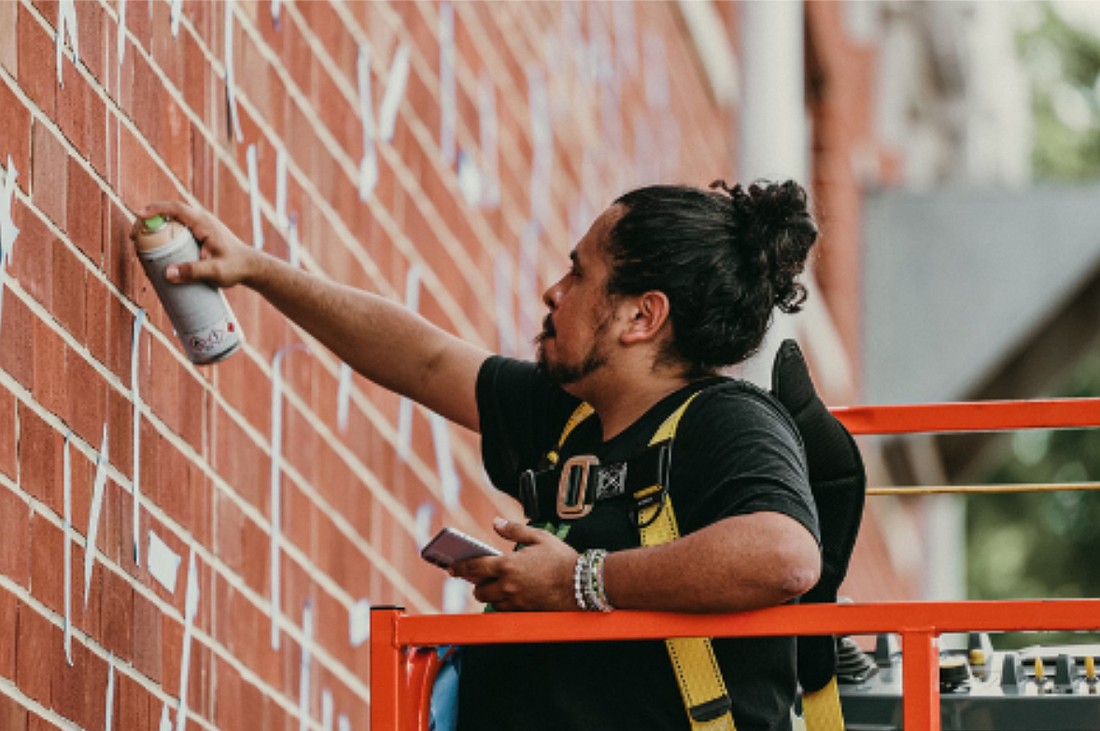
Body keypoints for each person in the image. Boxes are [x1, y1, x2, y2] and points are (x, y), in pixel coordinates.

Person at [135, 178, 822, 731]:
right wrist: (254, 269)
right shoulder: (570, 415)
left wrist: (581, 579)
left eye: (578, 274)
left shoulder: (725, 419)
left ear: (641, 317)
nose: (553, 292)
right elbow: (425, 358)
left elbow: (783, 553)